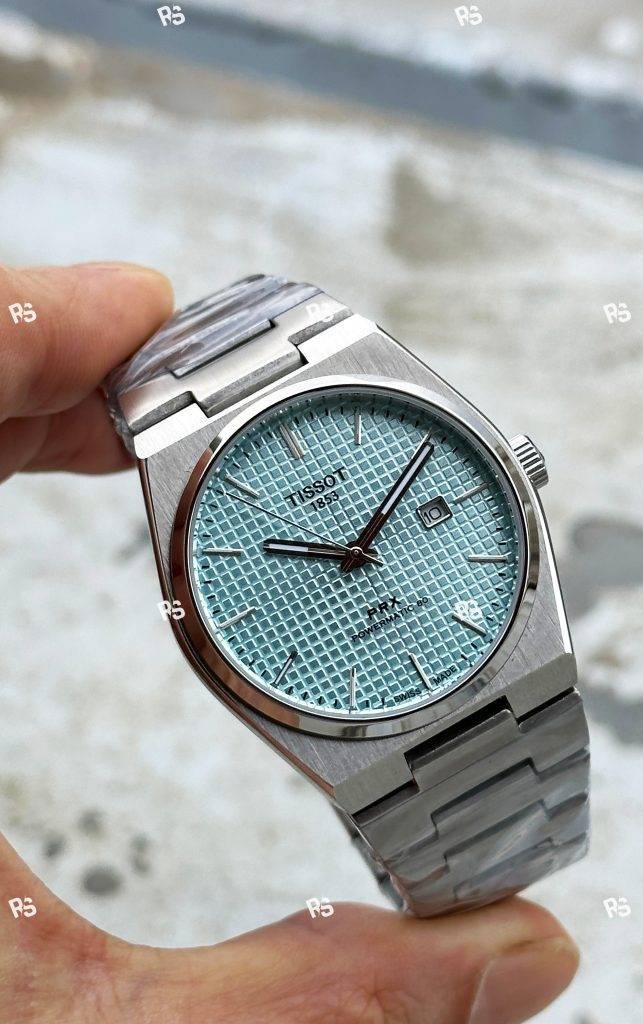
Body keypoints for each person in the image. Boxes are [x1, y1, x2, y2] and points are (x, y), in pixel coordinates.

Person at [0, 261, 580, 1023]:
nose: (358, 556)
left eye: (358, 550)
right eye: (352, 555)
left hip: (510, 668)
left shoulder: (352, 365)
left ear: (515, 471)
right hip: (368, 728)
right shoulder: (174, 442)